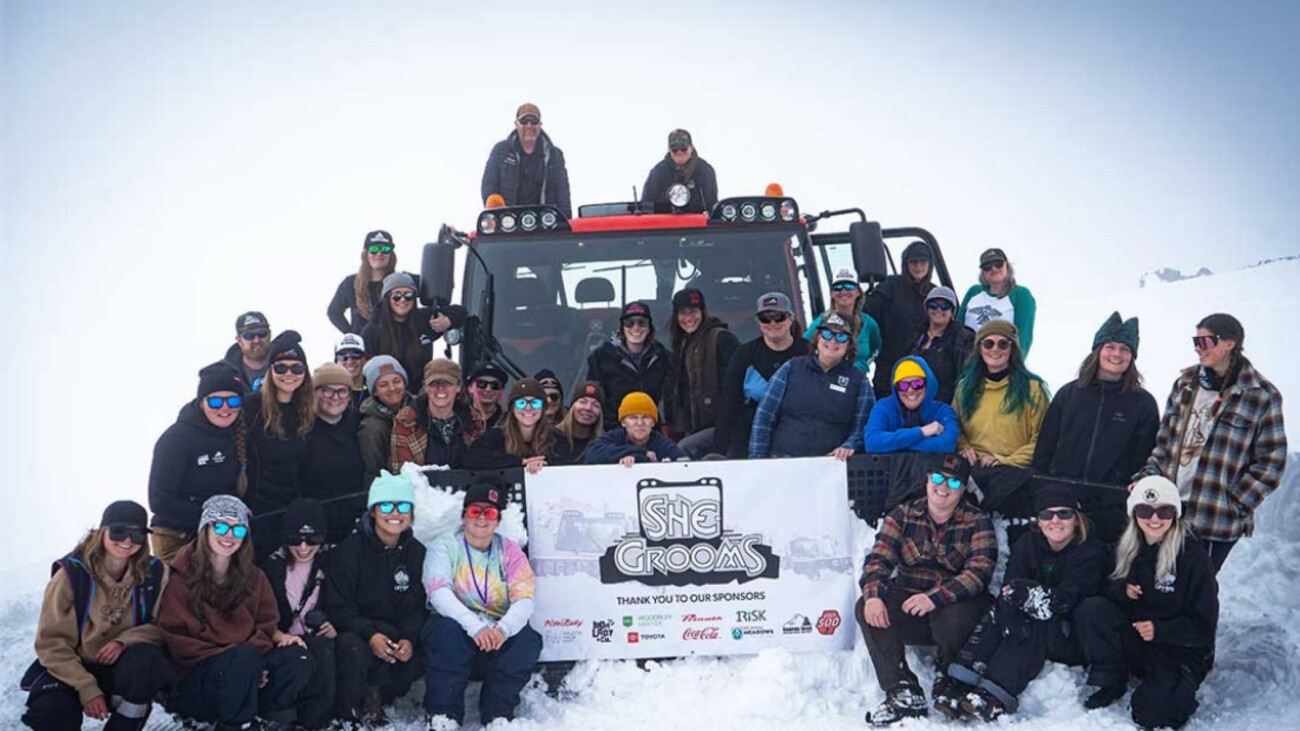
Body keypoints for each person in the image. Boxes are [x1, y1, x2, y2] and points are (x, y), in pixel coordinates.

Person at [1134, 313, 1286, 575]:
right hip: (1169, 510)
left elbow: (1272, 461)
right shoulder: (1185, 384)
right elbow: (1164, 442)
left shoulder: (1260, 394)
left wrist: (1235, 501)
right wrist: (1149, 479)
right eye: (1195, 341)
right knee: (1159, 584)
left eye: (1205, 341)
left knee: (1197, 590)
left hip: (1215, 517)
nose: (1197, 348)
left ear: (1230, 343)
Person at [943, 484, 1107, 722]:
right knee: (999, 612)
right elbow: (1010, 587)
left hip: (1069, 634)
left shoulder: (1091, 552)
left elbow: (1068, 598)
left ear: (1077, 518)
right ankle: (962, 679)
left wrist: (1030, 594)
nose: (1055, 520)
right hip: (1033, 614)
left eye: (1064, 513)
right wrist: (1012, 613)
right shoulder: (1028, 544)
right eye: (1046, 514)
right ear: (1038, 520)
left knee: (1035, 622)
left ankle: (996, 692)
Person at [858, 454, 997, 726]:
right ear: (927, 479)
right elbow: (878, 559)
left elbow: (980, 572)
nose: (943, 487)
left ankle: (950, 676)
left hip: (954, 611)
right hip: (912, 606)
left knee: (956, 614)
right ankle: (903, 690)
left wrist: (935, 598)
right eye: (937, 478)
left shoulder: (977, 521)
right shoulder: (903, 514)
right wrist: (872, 596)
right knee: (866, 607)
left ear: (963, 488)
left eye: (954, 482)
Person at [1073, 476, 1218, 729]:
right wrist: (1121, 590)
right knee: (1092, 609)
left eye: (1164, 510)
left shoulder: (1192, 556)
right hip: (1137, 642)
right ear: (1133, 513)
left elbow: (1204, 627)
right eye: (1144, 510)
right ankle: (1110, 678)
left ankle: (1175, 691)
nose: (1154, 518)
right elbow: (1103, 587)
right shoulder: (1127, 546)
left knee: (1153, 716)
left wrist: (1161, 629)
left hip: (1177, 650)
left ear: (1176, 513)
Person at [156, 495, 312, 730]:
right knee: (244, 659)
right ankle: (235, 724)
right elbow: (178, 640)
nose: (229, 535)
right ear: (205, 529)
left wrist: (255, 660)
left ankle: (262, 715)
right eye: (220, 526)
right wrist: (240, 660)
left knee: (297, 658)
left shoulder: (254, 577)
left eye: (238, 530)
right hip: (199, 677)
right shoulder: (181, 578)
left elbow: (266, 625)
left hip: (247, 663)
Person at [22, 501, 173, 731]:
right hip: (70, 670)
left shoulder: (155, 573)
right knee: (52, 713)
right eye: (119, 531)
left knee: (148, 662)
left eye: (137, 534)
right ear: (102, 531)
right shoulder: (70, 575)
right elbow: (51, 643)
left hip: (119, 667)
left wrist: (125, 641)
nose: (127, 541)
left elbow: (162, 626)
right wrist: (86, 687)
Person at [421, 481, 542, 728]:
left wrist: (502, 629)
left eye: (490, 513)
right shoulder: (444, 546)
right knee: (443, 630)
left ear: (498, 521)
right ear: (464, 516)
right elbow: (438, 592)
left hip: (495, 639)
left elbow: (524, 599)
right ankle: (444, 714)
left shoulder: (509, 552)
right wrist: (474, 627)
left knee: (528, 639)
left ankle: (498, 714)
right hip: (458, 635)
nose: (482, 519)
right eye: (476, 511)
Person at [326, 471, 428, 727]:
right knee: (353, 651)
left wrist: (408, 639)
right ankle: (348, 709)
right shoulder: (349, 551)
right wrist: (371, 635)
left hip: (394, 635)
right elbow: (338, 607)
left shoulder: (416, 553)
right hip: (357, 632)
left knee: (416, 656)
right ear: (373, 510)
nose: (395, 513)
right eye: (386, 505)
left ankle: (380, 696)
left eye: (403, 506)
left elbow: (416, 605)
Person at [1032, 312, 1159, 486]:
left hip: (1112, 499)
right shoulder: (1068, 394)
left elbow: (1143, 457)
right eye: (1110, 346)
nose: (1117, 354)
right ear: (1098, 351)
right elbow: (1045, 447)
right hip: (1060, 495)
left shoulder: (1143, 403)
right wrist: (1040, 486)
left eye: (1125, 349)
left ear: (1132, 356)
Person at [147, 361, 248, 563]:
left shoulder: (238, 433)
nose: (225, 408)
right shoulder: (177, 439)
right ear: (202, 402)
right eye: (216, 402)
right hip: (177, 537)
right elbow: (159, 501)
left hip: (222, 534)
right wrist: (216, 515)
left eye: (233, 401)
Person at [954, 320, 1050, 517]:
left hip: (1014, 474)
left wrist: (1007, 460)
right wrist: (964, 447)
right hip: (974, 471)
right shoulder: (965, 388)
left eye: (1003, 343)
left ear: (1012, 348)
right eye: (988, 343)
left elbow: (1043, 439)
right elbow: (954, 427)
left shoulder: (1033, 389)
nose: (995, 349)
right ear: (980, 349)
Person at [259, 499, 339, 729]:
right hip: (281, 642)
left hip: (316, 639)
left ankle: (317, 722)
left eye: (312, 539)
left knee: (328, 649)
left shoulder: (331, 563)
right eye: (295, 539)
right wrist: (278, 635)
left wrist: (334, 625)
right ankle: (277, 715)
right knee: (299, 659)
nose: (303, 547)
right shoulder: (271, 567)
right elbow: (260, 616)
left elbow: (345, 605)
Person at [749, 313, 874, 460]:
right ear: (818, 338)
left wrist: (849, 445)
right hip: (783, 462)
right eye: (827, 334)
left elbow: (863, 427)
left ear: (849, 345)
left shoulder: (859, 381)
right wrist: (757, 459)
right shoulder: (791, 368)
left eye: (841, 337)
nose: (833, 341)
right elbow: (764, 416)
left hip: (830, 468)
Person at [715, 292, 809, 459]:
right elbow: (728, 406)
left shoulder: (808, 353)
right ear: (758, 322)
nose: (772, 323)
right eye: (765, 319)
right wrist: (721, 452)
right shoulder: (743, 355)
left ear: (791, 319)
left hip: (798, 436)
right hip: (750, 436)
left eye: (779, 317)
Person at [244, 331, 314, 547]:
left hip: (290, 513)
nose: (289, 374)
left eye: (297, 368)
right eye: (281, 367)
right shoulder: (251, 406)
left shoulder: (307, 410)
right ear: (270, 371)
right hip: (255, 512)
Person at [664, 288, 740, 456]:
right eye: (683, 312)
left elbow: (741, 382)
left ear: (703, 312)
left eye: (694, 311)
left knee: (683, 450)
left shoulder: (721, 339)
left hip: (723, 428)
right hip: (694, 428)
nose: (688, 318)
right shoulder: (683, 345)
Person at [361, 272, 466, 391]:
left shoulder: (423, 319)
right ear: (387, 298)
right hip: (389, 394)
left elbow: (461, 311)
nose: (402, 300)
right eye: (396, 295)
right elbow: (363, 370)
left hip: (421, 393)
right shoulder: (373, 330)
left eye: (408, 295)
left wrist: (448, 320)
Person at [303, 364, 365, 543]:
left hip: (353, 523)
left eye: (342, 391)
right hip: (315, 528)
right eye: (327, 390)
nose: (335, 397)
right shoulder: (303, 427)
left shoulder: (357, 422)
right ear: (314, 392)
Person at [866, 240, 936, 398]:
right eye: (914, 262)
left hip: (922, 369)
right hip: (888, 367)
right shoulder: (890, 285)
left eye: (923, 261)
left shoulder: (935, 293)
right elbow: (867, 310)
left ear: (930, 265)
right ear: (906, 264)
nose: (918, 267)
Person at [586, 301, 671, 430]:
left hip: (652, 430)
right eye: (629, 323)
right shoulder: (602, 356)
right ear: (622, 328)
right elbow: (594, 399)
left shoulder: (662, 356)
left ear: (649, 328)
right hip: (613, 431)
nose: (635, 328)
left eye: (641, 322)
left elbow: (671, 397)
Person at [480, 103, 572, 218]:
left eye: (533, 121)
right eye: (524, 121)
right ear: (516, 125)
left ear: (540, 125)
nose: (529, 126)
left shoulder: (555, 155)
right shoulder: (501, 151)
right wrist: (496, 217)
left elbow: (563, 193)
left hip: (545, 223)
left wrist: (566, 222)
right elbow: (489, 186)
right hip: (508, 223)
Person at [464, 379, 577, 472]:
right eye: (521, 403)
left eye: (535, 403)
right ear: (512, 408)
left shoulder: (557, 438)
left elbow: (566, 465)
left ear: (543, 408)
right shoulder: (497, 436)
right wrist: (520, 462)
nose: (528, 408)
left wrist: (542, 464)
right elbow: (472, 458)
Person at [863, 356, 959, 455]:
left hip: (930, 469)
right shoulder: (883, 407)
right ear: (896, 389)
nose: (910, 390)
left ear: (927, 384)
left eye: (917, 384)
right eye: (903, 386)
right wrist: (921, 432)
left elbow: (948, 444)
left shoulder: (943, 411)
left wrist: (894, 444)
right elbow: (872, 443)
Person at [391, 359, 473, 472]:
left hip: (464, 487)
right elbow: (401, 472)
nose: (440, 388)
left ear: (458, 386)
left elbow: (479, 468)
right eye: (433, 383)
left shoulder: (474, 419)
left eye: (447, 383)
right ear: (425, 386)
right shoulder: (406, 421)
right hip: (420, 487)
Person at [958, 248, 1037, 356]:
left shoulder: (1021, 295)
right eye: (987, 267)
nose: (993, 269)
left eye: (998, 264)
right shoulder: (974, 292)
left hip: (997, 359)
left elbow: (1024, 336)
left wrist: (1015, 366)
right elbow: (957, 326)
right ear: (982, 272)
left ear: (1007, 266)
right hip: (966, 358)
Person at [805, 268, 882, 374]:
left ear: (858, 292)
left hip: (858, 384)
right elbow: (804, 347)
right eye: (838, 287)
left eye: (849, 286)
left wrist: (863, 365)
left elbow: (876, 348)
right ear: (832, 293)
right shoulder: (821, 321)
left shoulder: (869, 323)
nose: (844, 291)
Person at [909, 286, 973, 405]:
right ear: (927, 309)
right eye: (933, 305)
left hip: (947, 405)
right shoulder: (915, 334)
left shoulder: (964, 338)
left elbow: (967, 377)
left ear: (952, 312)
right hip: (914, 401)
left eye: (945, 306)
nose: (939, 310)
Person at [327, 230, 400, 335]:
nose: (379, 253)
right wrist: (351, 334)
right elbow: (333, 312)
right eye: (373, 249)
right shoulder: (350, 283)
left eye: (385, 249)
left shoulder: (401, 282)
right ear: (366, 254)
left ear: (391, 254)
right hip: (363, 347)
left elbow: (429, 294)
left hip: (394, 345)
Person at [585, 392, 688, 466]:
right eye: (633, 418)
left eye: (645, 417)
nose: (640, 423)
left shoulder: (662, 444)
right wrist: (639, 454)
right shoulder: (614, 437)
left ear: (653, 422)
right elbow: (592, 453)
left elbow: (683, 463)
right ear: (623, 423)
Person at [358, 355, 410, 488]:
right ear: (374, 391)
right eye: (383, 385)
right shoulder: (371, 428)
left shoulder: (420, 409)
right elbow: (373, 471)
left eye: (396, 381)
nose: (392, 388)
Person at [639, 128, 719, 213]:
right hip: (665, 222)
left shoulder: (704, 171)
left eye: (683, 148)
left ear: (691, 148)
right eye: (674, 149)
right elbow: (646, 205)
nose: (679, 152)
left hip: (696, 222)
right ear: (669, 150)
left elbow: (711, 205)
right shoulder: (658, 172)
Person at [223, 311, 272, 392]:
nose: (256, 340)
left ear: (270, 335)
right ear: (239, 340)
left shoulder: (287, 366)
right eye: (249, 336)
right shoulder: (225, 374)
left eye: (262, 333)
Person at [556, 381, 606, 460]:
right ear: (572, 406)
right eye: (583, 402)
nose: (588, 408)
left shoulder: (604, 446)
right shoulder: (550, 438)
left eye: (595, 405)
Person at [464, 362, 509, 443]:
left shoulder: (509, 421)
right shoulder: (460, 419)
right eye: (481, 383)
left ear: (501, 390)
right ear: (470, 388)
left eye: (495, 385)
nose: (488, 389)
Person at [334, 333, 369, 410]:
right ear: (336, 361)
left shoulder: (375, 392)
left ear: (364, 359)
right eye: (343, 356)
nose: (349, 362)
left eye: (355, 355)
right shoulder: (328, 394)